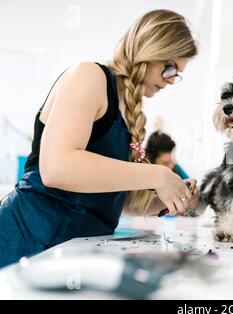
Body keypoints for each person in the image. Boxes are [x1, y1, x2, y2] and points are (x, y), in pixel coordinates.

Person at [0, 9, 200, 268]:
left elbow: (113, 198)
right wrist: (158, 176)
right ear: (149, 49)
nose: (171, 81)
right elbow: (57, 169)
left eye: (177, 74)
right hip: (25, 241)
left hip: (72, 254)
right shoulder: (88, 76)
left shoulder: (128, 112)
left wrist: (168, 198)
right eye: (168, 68)